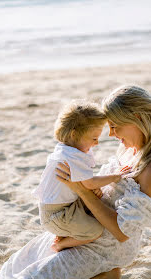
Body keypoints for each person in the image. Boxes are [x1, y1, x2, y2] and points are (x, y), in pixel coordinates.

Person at [0, 85, 151, 279]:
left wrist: (81, 190)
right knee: (19, 267)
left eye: (115, 127)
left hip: (108, 244)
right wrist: (91, 191)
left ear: (136, 118)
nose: (111, 134)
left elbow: (121, 231)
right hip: (85, 224)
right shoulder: (130, 148)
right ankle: (97, 272)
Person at [32, 100, 127, 252]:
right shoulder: (71, 156)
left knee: (97, 201)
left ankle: (65, 233)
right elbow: (89, 183)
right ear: (74, 134)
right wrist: (115, 177)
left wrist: (91, 187)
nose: (96, 143)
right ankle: (60, 244)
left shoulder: (68, 149)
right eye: (94, 138)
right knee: (94, 232)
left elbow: (82, 182)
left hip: (65, 206)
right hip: (57, 214)